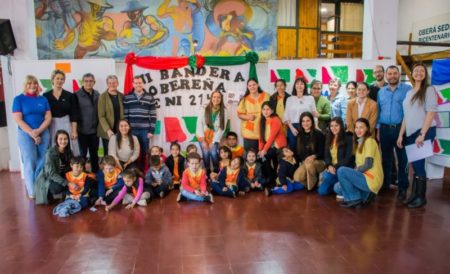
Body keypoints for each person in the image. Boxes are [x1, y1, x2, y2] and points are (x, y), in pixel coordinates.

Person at [397, 63, 437, 208]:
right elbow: (406, 117)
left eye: (422, 70)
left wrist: (422, 133)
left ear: (425, 74)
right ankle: (414, 195)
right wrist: (401, 135)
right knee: (414, 164)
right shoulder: (409, 93)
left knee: (419, 164)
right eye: (416, 70)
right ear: (412, 74)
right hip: (411, 133)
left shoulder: (429, 90)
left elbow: (431, 112)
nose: (418, 73)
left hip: (423, 132)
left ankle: (421, 198)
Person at [13, 75, 52, 199]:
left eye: (35, 83)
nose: (32, 86)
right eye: (29, 84)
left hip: (43, 132)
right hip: (25, 134)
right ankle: (32, 191)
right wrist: (32, 133)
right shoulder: (18, 99)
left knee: (43, 160)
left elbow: (48, 117)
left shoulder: (43, 99)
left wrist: (39, 131)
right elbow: (18, 119)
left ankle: (38, 185)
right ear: (25, 85)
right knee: (29, 161)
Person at [377, 65, 411, 196]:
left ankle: (403, 186)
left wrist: (402, 133)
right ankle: (385, 184)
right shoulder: (381, 92)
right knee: (386, 159)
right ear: (386, 75)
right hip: (384, 129)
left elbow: (409, 112)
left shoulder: (407, 90)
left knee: (403, 159)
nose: (392, 76)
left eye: (395, 73)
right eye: (389, 74)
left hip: (400, 130)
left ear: (399, 74)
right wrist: (379, 130)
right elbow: (379, 112)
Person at [336, 118, 383, 208]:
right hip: (363, 177)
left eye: (361, 127)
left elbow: (368, 164)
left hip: (371, 178)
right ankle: (365, 195)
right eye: (356, 127)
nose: (358, 130)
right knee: (337, 187)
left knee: (341, 171)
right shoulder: (359, 143)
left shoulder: (370, 141)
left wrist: (355, 172)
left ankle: (355, 199)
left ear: (367, 129)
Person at [124, 76, 157, 170]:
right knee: (132, 151)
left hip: (145, 130)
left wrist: (151, 131)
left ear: (143, 84)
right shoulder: (127, 97)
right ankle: (133, 170)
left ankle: (144, 171)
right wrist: (127, 130)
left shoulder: (150, 97)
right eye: (136, 83)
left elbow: (153, 115)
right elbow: (125, 115)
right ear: (133, 84)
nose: (138, 84)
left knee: (145, 151)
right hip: (132, 130)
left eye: (140, 83)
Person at [43, 69, 79, 155]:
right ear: (52, 80)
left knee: (69, 147)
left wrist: (74, 131)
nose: (59, 81)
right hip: (52, 125)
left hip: (66, 124)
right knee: (54, 147)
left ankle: (70, 167)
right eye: (57, 78)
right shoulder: (45, 96)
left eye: (62, 79)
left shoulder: (70, 95)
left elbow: (74, 114)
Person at [35, 130, 73, 204]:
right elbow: (51, 174)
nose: (63, 141)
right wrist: (67, 183)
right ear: (56, 140)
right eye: (60, 139)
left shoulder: (69, 152)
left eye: (65, 139)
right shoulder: (50, 153)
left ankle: (66, 195)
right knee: (57, 188)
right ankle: (50, 193)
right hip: (51, 178)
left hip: (63, 175)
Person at [318, 117, 354, 196]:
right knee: (321, 192)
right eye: (331, 126)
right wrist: (329, 165)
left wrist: (334, 167)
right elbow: (326, 155)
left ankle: (340, 184)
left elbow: (348, 158)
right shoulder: (329, 137)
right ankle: (337, 184)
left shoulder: (349, 138)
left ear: (341, 126)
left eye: (336, 125)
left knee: (327, 176)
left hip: (343, 168)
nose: (333, 128)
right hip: (332, 169)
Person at [196, 90, 228, 175]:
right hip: (203, 135)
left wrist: (213, 142)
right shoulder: (204, 107)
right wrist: (203, 140)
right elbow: (199, 123)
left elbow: (222, 127)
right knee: (206, 154)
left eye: (218, 97)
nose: (216, 99)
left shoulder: (224, 110)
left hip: (214, 136)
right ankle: (207, 173)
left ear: (221, 99)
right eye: (214, 97)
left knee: (214, 154)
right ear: (211, 98)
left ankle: (217, 172)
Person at [283, 77, 319, 151]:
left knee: (305, 148)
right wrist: (292, 128)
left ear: (305, 86)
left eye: (302, 84)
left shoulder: (310, 98)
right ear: (295, 86)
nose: (299, 85)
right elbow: (286, 115)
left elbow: (314, 114)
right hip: (293, 127)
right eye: (297, 83)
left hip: (307, 126)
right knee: (293, 147)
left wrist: (315, 126)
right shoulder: (289, 99)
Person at [293, 112, 325, 191]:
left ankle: (311, 189)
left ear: (312, 122)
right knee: (296, 177)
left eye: (308, 121)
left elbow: (323, 152)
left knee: (309, 165)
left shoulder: (319, 134)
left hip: (319, 162)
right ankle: (315, 182)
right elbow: (298, 153)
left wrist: (314, 156)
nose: (305, 123)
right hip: (305, 162)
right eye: (303, 121)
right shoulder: (299, 136)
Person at [75, 73, 100, 173]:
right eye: (86, 81)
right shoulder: (76, 95)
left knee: (94, 154)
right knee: (83, 154)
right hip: (82, 131)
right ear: (82, 82)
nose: (88, 83)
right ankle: (83, 174)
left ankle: (95, 173)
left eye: (91, 81)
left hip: (94, 131)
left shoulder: (97, 94)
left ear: (94, 82)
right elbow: (74, 113)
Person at [237, 79, 270, 151]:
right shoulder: (244, 99)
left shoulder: (266, 96)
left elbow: (272, 110)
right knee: (250, 154)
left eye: (254, 84)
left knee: (264, 156)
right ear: (247, 87)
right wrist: (248, 117)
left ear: (258, 85)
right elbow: (239, 114)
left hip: (264, 130)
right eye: (250, 85)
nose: (252, 87)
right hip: (250, 132)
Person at [258, 102, 287, 185]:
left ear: (272, 110)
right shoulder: (262, 120)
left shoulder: (276, 120)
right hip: (270, 146)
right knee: (263, 159)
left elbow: (272, 137)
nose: (265, 111)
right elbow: (261, 137)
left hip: (279, 146)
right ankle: (272, 177)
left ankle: (276, 179)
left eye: (268, 109)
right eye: (263, 109)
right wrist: (260, 150)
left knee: (274, 161)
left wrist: (264, 150)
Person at [98, 75, 124, 156]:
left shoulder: (122, 96)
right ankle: (108, 169)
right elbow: (101, 115)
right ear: (107, 84)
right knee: (108, 153)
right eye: (110, 83)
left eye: (114, 82)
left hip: (120, 129)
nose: (112, 84)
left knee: (119, 151)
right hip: (107, 131)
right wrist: (108, 130)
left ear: (117, 83)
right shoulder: (102, 96)